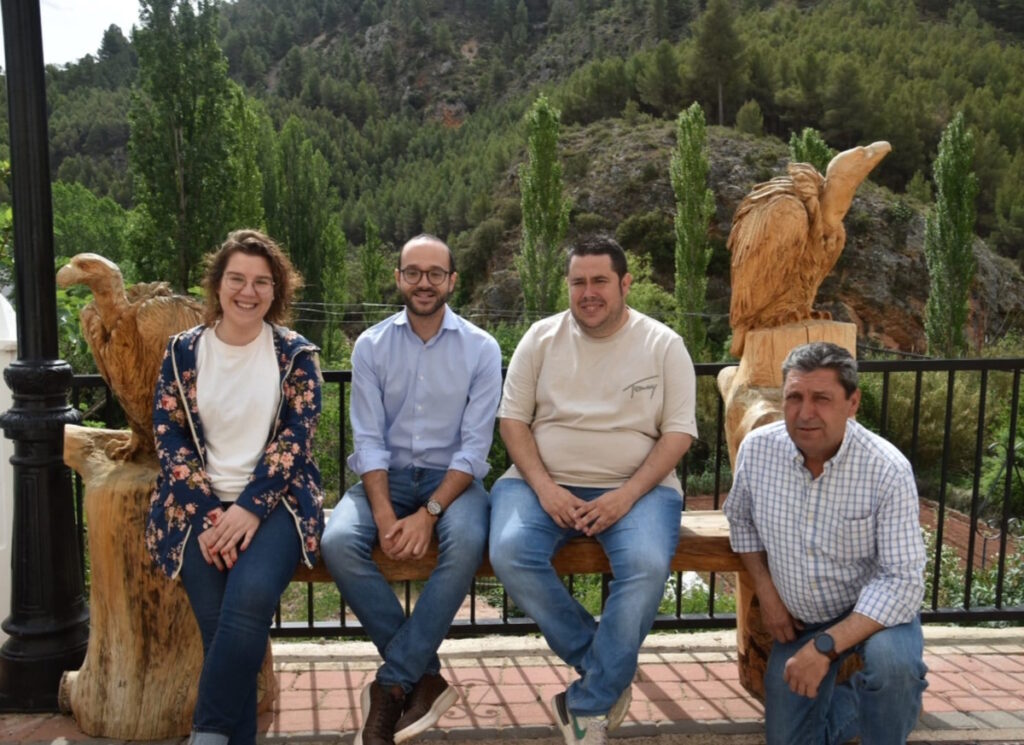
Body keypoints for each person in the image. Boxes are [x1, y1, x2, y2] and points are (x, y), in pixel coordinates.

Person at [488, 234, 698, 745]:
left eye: (600, 280)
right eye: (578, 281)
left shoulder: (663, 344)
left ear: (625, 283)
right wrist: (545, 488)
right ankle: (606, 667)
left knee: (647, 565)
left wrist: (625, 496)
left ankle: (589, 699)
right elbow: (512, 421)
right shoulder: (540, 339)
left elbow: (678, 433)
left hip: (640, 490)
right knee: (510, 552)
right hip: (541, 483)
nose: (589, 292)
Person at [321, 234, 502, 745]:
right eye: (414, 272)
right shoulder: (371, 346)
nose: (425, 282)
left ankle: (392, 683)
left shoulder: (482, 349)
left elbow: (473, 448)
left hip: (456, 486)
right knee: (337, 542)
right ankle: (423, 675)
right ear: (399, 278)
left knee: (465, 540)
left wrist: (430, 512)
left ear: (452, 281)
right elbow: (370, 441)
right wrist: (383, 514)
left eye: (435, 273)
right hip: (388, 480)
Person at [145, 230, 324, 745]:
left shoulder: (296, 355)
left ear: (277, 290)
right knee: (221, 629)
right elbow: (169, 434)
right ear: (218, 284)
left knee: (245, 606)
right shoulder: (182, 354)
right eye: (237, 279)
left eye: (262, 282)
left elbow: (297, 438)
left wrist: (247, 509)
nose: (249, 292)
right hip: (195, 512)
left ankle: (206, 734)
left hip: (277, 506)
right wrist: (208, 514)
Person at [723, 341, 927, 745]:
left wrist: (825, 648)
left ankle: (891, 708)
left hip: (872, 616)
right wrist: (769, 596)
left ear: (853, 403)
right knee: (787, 739)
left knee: (893, 668)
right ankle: (864, 699)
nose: (805, 413)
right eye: (794, 397)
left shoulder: (886, 469)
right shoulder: (759, 451)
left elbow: (903, 582)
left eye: (822, 398)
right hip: (799, 620)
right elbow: (741, 521)